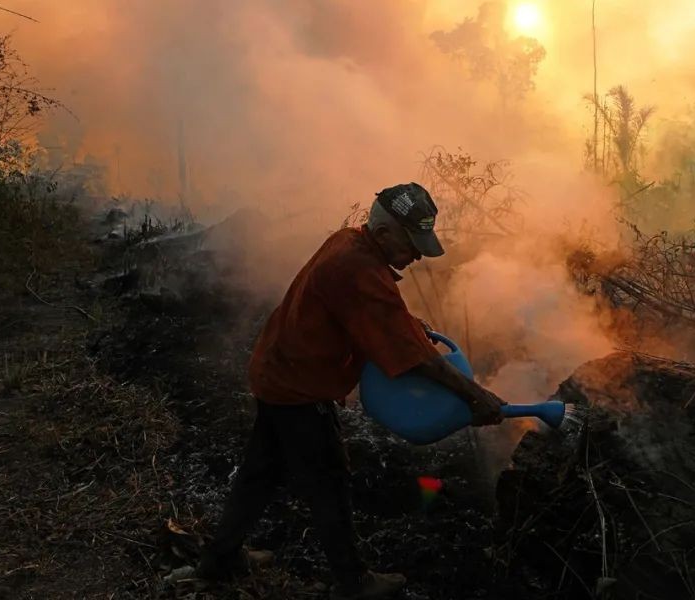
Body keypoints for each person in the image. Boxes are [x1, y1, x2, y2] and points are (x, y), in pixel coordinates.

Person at [196, 182, 507, 600]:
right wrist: (476, 396)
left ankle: (220, 559)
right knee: (329, 480)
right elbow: (417, 359)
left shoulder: (349, 243)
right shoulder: (358, 270)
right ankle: (354, 581)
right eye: (412, 244)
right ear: (383, 235)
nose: (416, 255)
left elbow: (379, 314)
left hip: (276, 371)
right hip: (298, 388)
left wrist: (410, 324)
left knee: (260, 471)